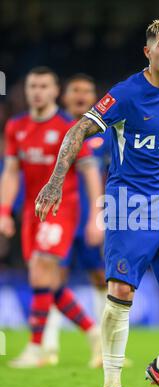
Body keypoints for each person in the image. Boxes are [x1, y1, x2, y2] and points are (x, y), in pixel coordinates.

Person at [35, 18, 159, 387]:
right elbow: (78, 131)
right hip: (128, 205)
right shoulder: (126, 94)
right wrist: (54, 181)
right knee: (120, 291)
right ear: (148, 51)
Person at [0, 66, 102, 368]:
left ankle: (38, 348)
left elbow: (91, 173)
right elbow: (11, 173)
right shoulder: (16, 126)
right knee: (46, 281)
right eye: (33, 86)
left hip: (62, 210)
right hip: (31, 213)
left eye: (44, 86)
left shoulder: (69, 127)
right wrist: (4, 211)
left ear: (56, 91)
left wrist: (96, 215)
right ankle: (93, 332)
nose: (38, 92)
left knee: (41, 272)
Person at [41, 73, 109, 367]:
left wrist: (99, 217)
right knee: (54, 278)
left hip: (89, 219)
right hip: (58, 217)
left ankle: (105, 348)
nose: (81, 95)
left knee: (99, 278)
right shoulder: (54, 130)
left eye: (87, 91)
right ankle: (48, 346)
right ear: (64, 96)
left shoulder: (103, 135)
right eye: (75, 90)